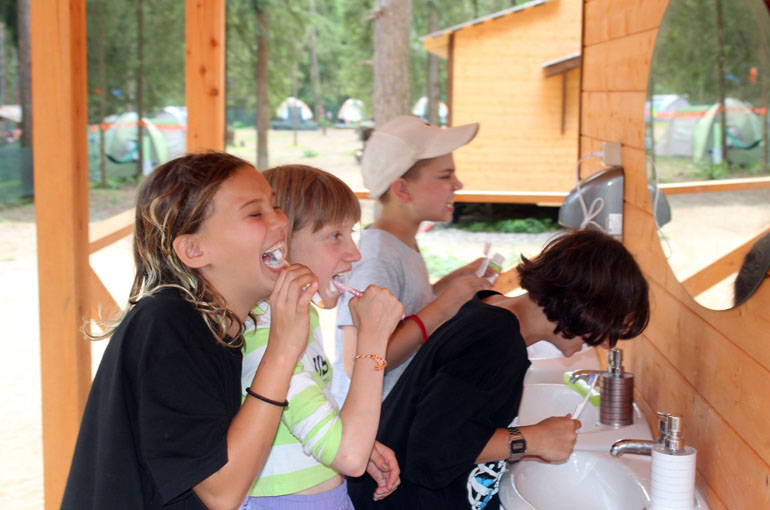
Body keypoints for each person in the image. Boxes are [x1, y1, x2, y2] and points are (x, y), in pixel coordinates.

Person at [62, 152, 317, 510]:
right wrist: (283, 350)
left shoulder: (220, 324)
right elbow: (222, 491)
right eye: (256, 213)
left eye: (275, 207)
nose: (280, 222)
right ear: (194, 250)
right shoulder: (168, 323)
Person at [346, 229, 651, 510]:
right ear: (585, 303)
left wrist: (525, 445)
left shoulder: (491, 308)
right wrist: (532, 439)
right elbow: (432, 451)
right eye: (608, 328)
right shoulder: (498, 342)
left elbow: (457, 426)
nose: (608, 344)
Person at [238, 165, 404, 509]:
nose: (355, 253)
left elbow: (309, 416)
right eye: (335, 236)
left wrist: (346, 432)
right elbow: (349, 457)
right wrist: (372, 340)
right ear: (279, 247)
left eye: (351, 233)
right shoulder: (266, 333)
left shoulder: (301, 316)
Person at [333, 115, 491, 405]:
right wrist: (443, 307)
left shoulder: (400, 242)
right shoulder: (377, 258)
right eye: (445, 176)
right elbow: (357, 362)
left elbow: (406, 309)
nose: (458, 183)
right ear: (402, 189)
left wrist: (449, 285)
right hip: (375, 435)